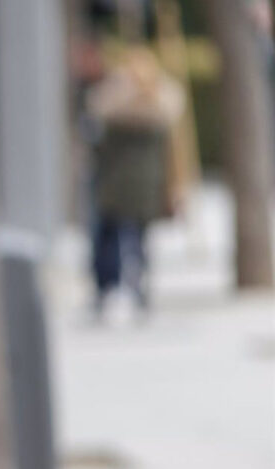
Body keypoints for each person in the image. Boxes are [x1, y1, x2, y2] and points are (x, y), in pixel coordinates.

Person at [87, 48, 183, 316]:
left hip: (116, 186)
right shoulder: (161, 110)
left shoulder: (113, 110)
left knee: (110, 239)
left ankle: (108, 288)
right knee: (139, 241)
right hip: (148, 186)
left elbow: (99, 145)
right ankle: (139, 287)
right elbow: (170, 156)